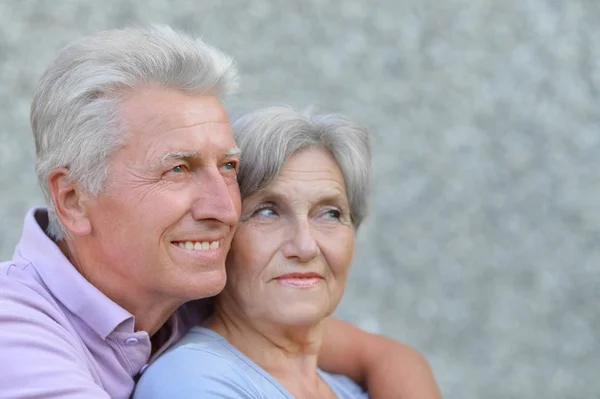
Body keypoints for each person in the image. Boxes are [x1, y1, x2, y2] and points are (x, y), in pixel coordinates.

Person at [0, 25, 440, 399]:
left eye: (228, 166)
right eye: (178, 169)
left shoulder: (184, 293)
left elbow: (381, 354)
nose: (226, 207)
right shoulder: (15, 341)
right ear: (74, 199)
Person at [133, 106, 374, 398]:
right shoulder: (190, 381)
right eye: (267, 212)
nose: (305, 246)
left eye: (330, 214)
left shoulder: (349, 389)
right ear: (221, 236)